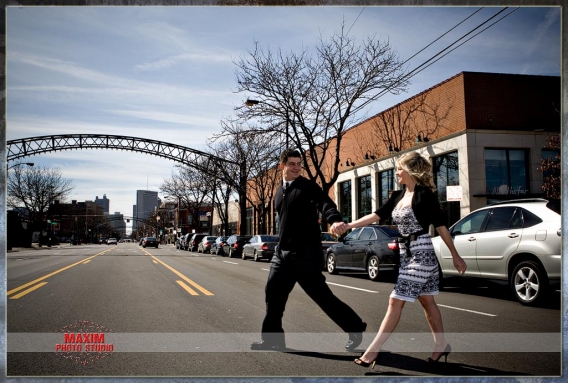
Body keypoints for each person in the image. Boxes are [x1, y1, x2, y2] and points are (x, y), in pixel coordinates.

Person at [330, 151, 467, 368]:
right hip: (406, 254)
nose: (397, 173)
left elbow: (440, 226)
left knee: (395, 301)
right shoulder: (397, 196)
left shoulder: (425, 195)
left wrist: (455, 255)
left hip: (422, 252)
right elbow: (375, 216)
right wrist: (348, 225)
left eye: (399, 168)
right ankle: (441, 344)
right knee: (427, 300)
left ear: (411, 170)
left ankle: (372, 352)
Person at [251, 149, 367, 351]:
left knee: (322, 297)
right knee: (273, 295)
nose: (296, 167)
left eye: (299, 164)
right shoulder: (279, 191)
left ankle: (355, 327)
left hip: (304, 254)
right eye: (292, 164)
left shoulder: (307, 187)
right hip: (282, 254)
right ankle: (273, 339)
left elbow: (325, 203)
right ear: (282, 166)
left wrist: (334, 219)